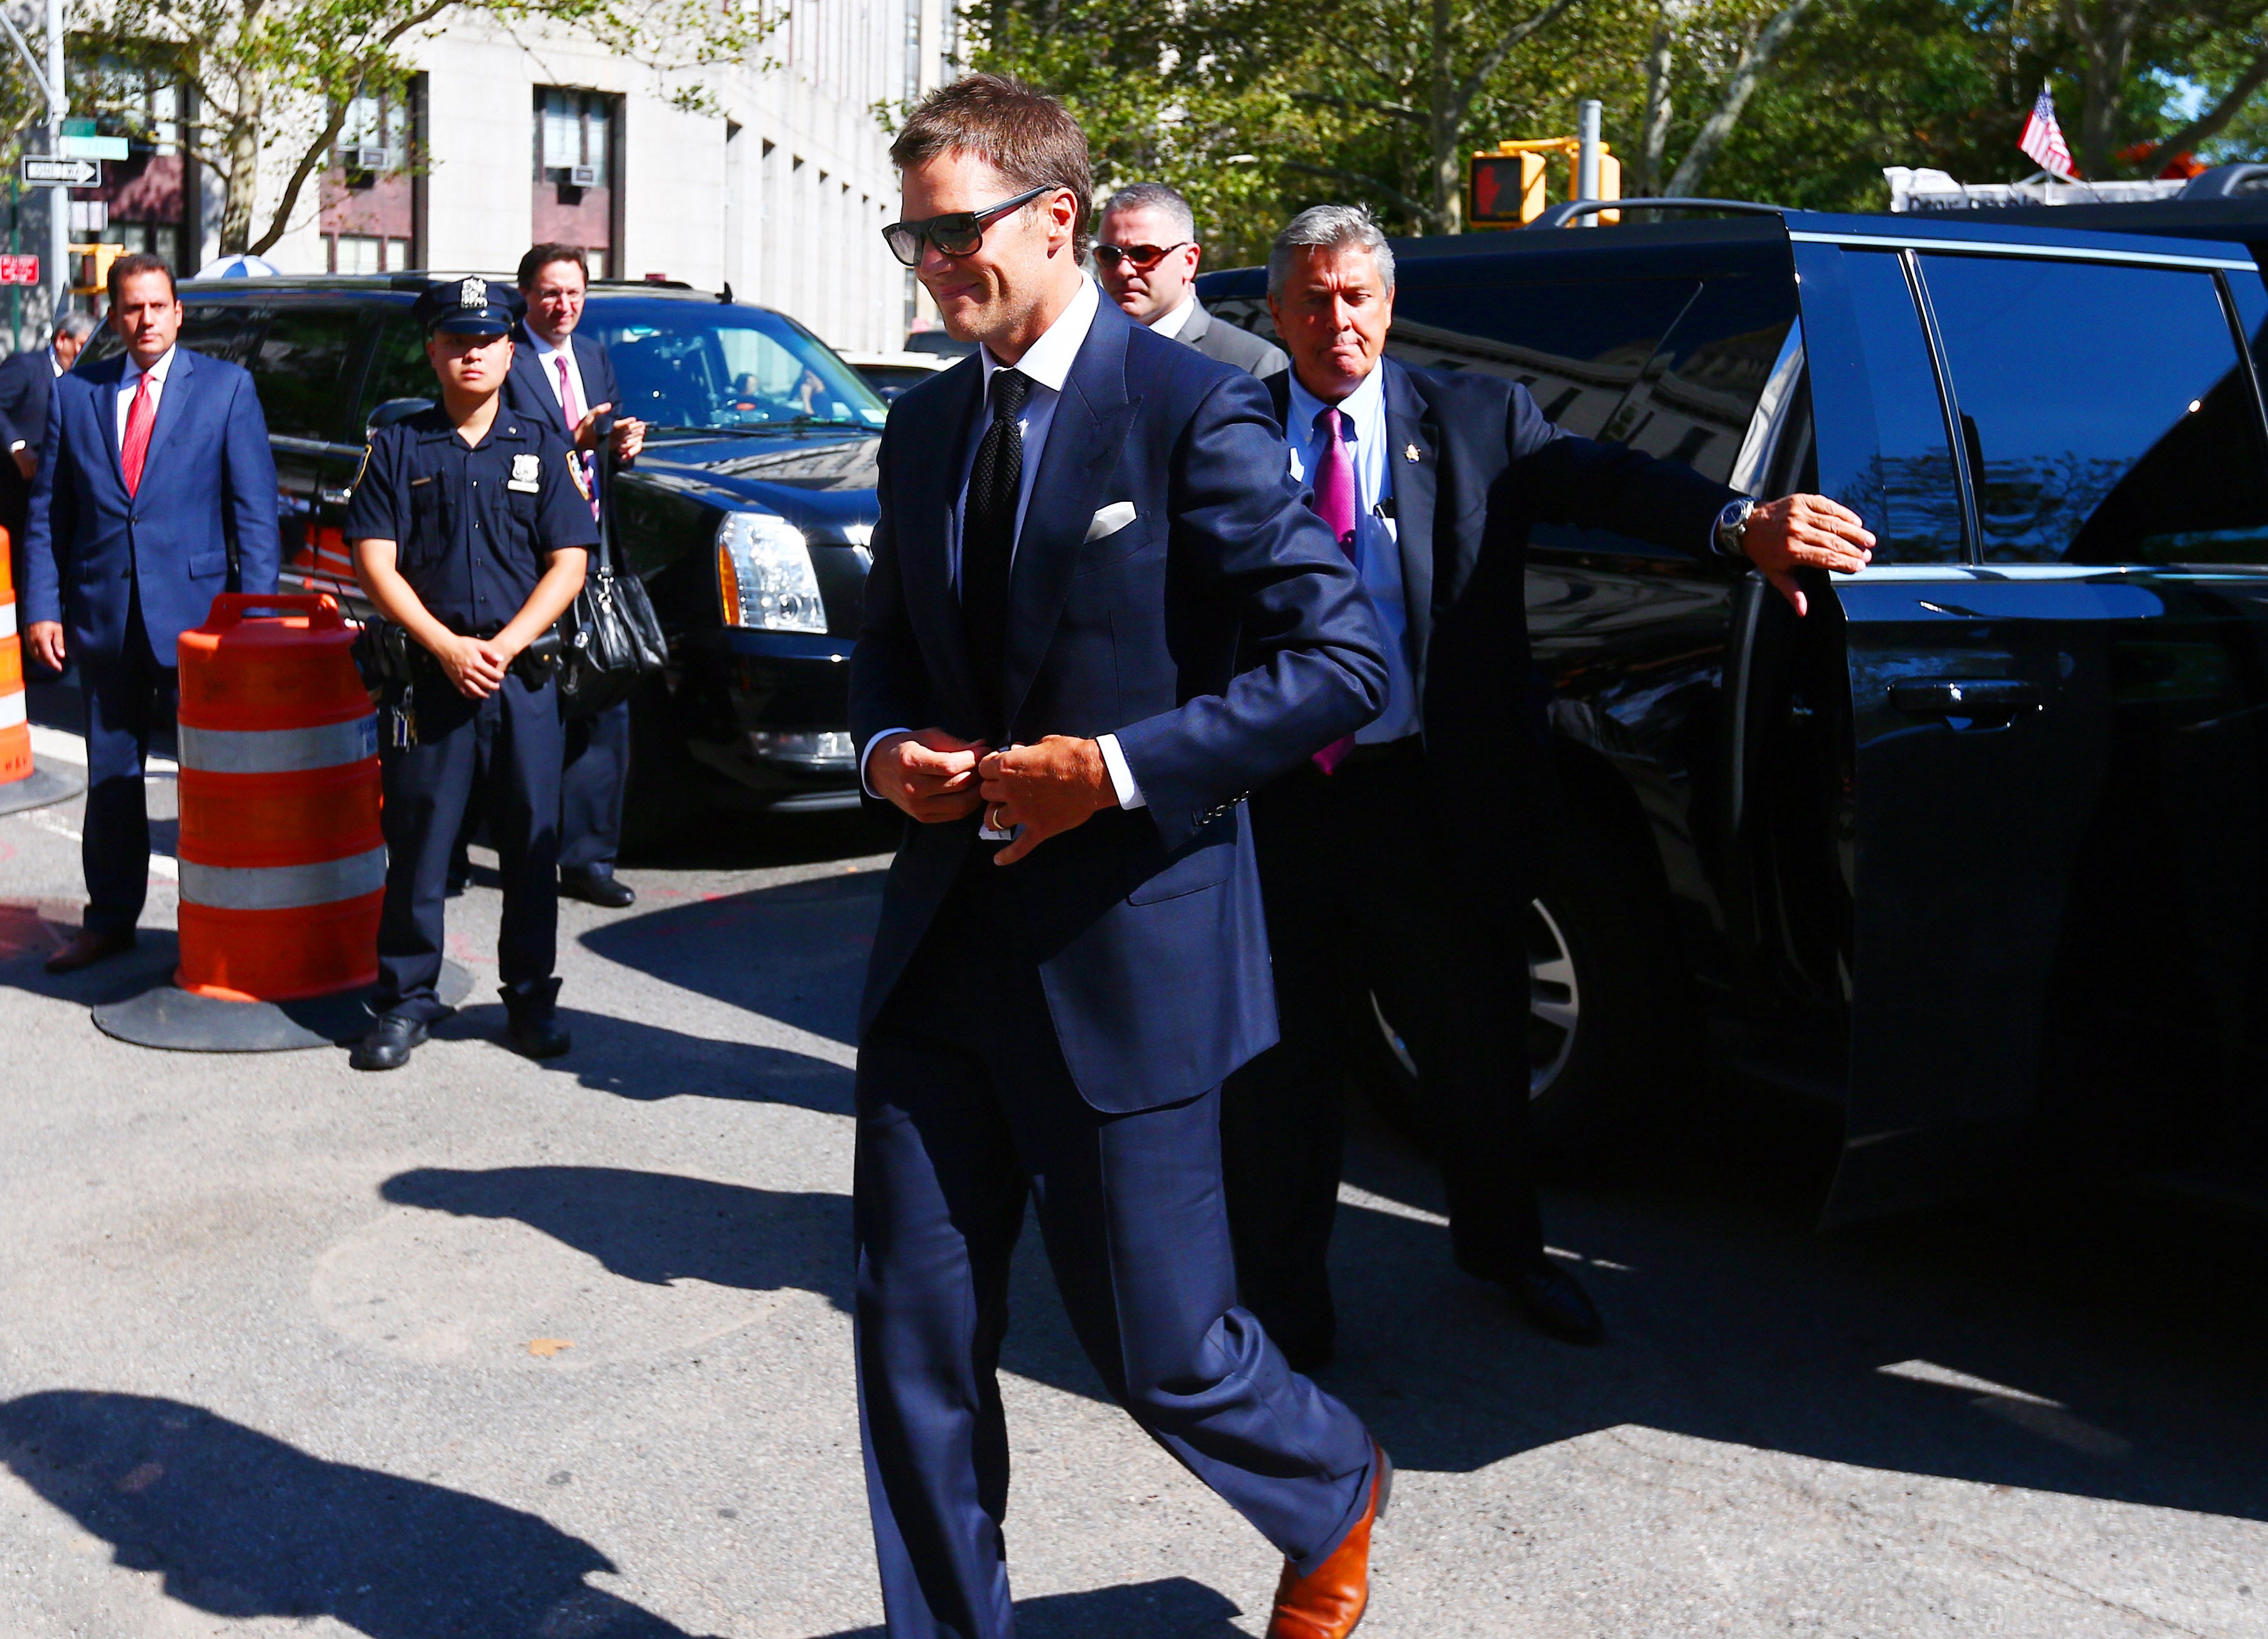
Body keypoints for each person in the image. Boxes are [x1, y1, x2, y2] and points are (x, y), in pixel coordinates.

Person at [854, 77, 1393, 1639]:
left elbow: (1341, 660)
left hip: (1124, 953)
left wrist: (1115, 770)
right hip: (940, 952)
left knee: (1161, 1344)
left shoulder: (1190, 408)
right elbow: (886, 654)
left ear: (1058, 216)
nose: (932, 264)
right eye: (915, 234)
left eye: (955, 230)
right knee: (913, 1333)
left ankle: (1330, 1481)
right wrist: (894, 757)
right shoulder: (924, 421)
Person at [1220, 204, 1876, 1368]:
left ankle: (1507, 1253)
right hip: (1273, 807)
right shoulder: (1220, 433)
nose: (1337, 321)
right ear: (1276, 315)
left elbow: (1609, 478)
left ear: (1388, 305)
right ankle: (1284, 1307)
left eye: (1356, 296)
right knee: (1282, 1070)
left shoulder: (1477, 419)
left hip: (1427, 800)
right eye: (1312, 300)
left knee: (1472, 1050)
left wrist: (1739, 525)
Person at [343, 277, 595, 1071]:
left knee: (530, 846)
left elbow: (570, 563)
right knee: (419, 844)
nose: (472, 352)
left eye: (486, 340)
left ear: (509, 349)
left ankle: (528, 998)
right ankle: (406, 1000)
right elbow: (374, 564)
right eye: (457, 340)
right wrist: (448, 645)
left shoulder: (541, 445)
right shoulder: (399, 446)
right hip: (431, 678)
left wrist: (508, 645)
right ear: (433, 350)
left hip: (520, 679)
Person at [21, 255, 279, 974]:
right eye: (130, 309)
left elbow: (254, 519)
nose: (144, 320)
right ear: (113, 316)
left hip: (202, 628)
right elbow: (48, 517)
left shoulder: (227, 390)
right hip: (105, 618)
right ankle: (109, 921)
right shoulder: (77, 394)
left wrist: (252, 623)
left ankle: (219, 929)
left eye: (156, 307)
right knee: (111, 781)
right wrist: (43, 608)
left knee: (210, 784)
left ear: (178, 312)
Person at [503, 242, 647, 911]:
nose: (564, 306)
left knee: (602, 696)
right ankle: (511, 846)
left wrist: (621, 446)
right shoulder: (502, 357)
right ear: (526, 295)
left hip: (594, 554)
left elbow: (601, 451)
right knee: (528, 705)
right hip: (524, 557)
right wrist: (576, 442)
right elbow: (501, 449)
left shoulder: (591, 356)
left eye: (575, 294)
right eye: (551, 293)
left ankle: (588, 858)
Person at [1094, 182, 1287, 377]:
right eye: (1109, 255)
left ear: (1189, 261)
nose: (1124, 270)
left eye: (1144, 254)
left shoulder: (1251, 362)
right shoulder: (1080, 350)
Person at [0, 310, 99, 600]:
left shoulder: (84, 379)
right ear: (62, 340)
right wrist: (17, 448)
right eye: (82, 343)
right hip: (17, 489)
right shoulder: (26, 367)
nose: (86, 351)